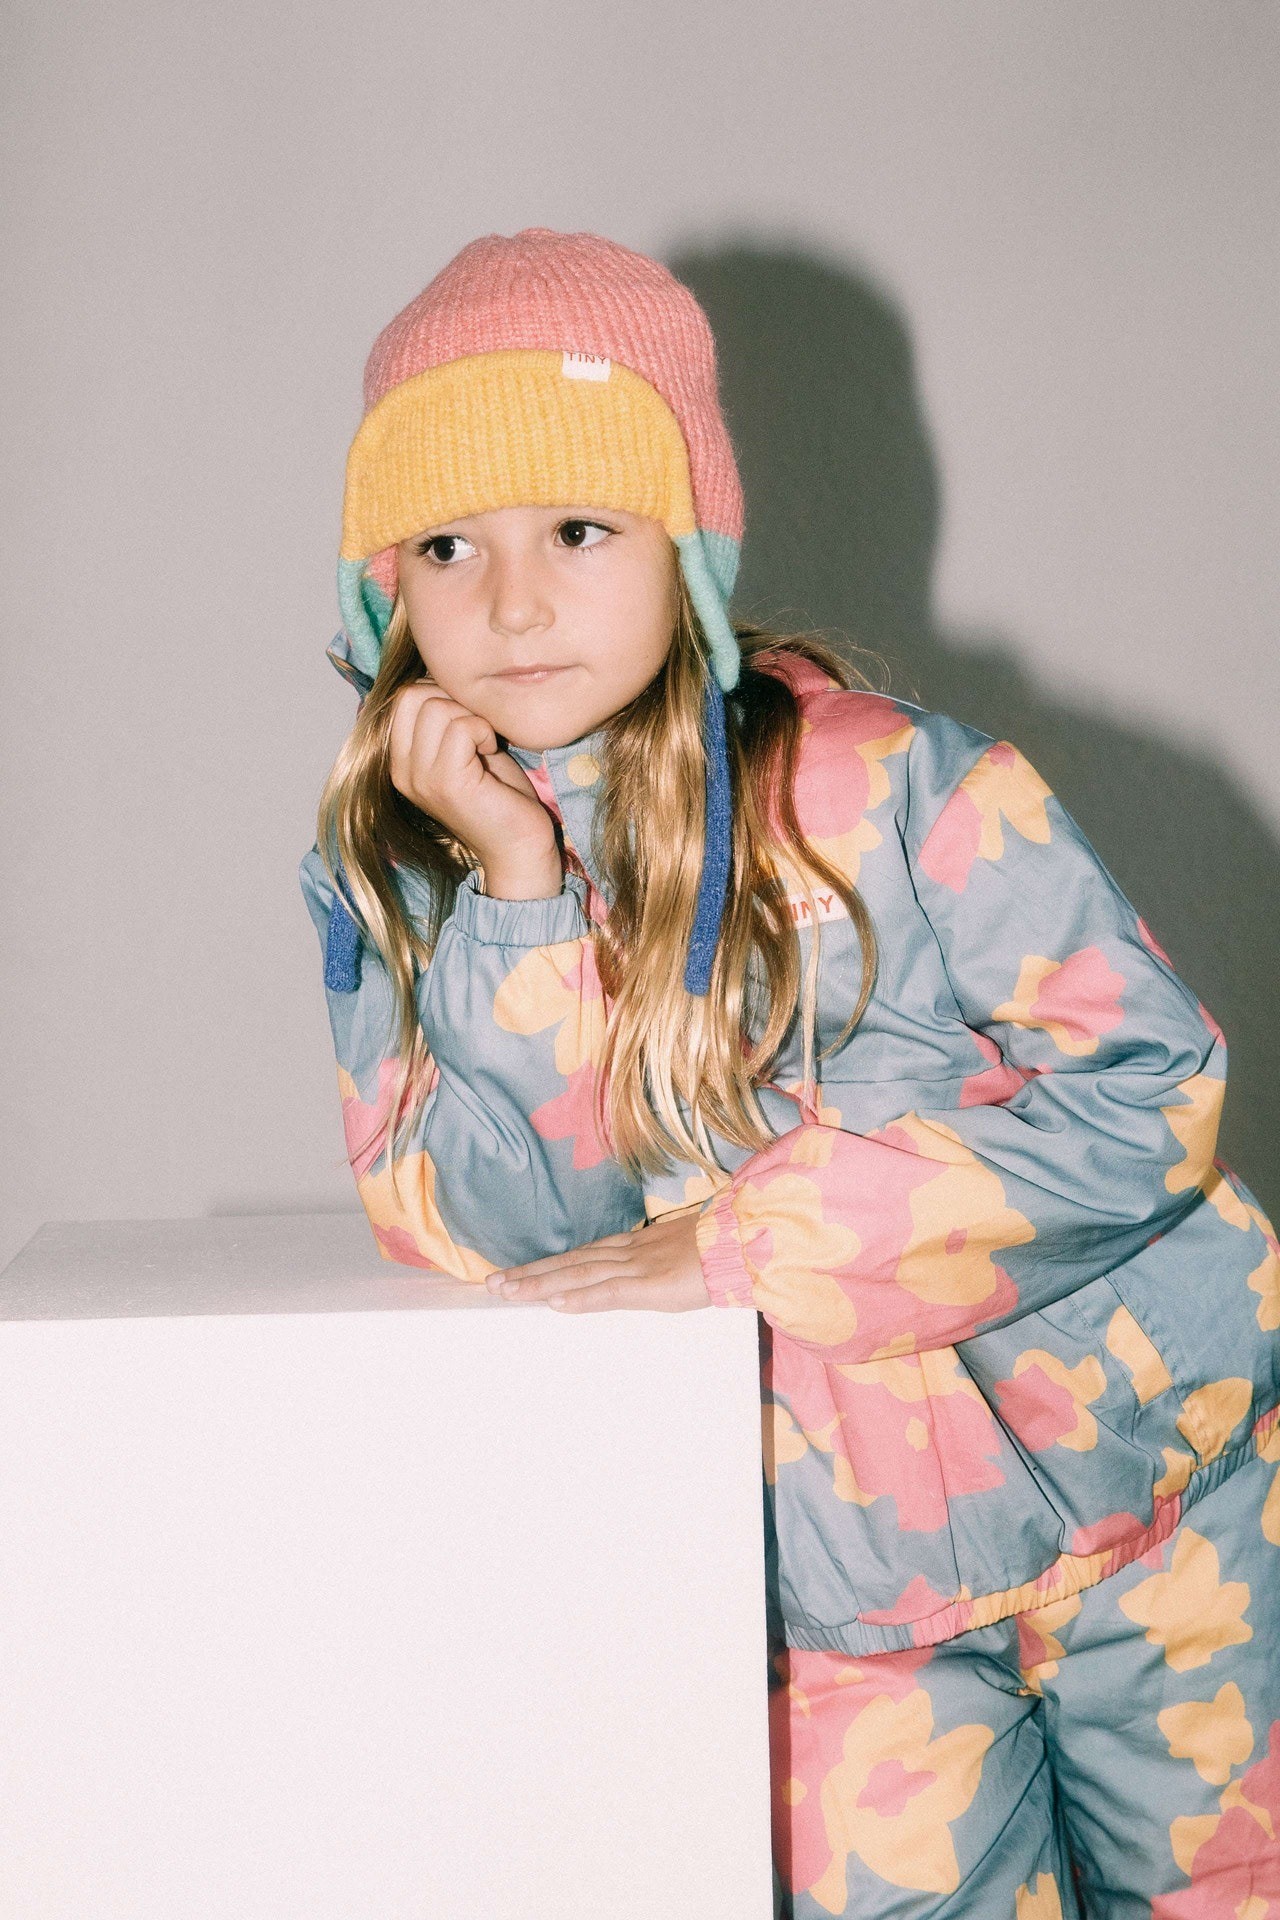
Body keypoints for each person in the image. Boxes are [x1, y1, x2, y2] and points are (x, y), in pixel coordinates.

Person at [299, 227, 1280, 1916]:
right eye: (447, 545)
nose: (513, 602)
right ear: (384, 585)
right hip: (829, 1612)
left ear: (687, 542)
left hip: (1168, 1514)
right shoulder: (399, 878)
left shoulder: (898, 787)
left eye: (579, 529)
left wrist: (756, 1243)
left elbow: (1150, 1088)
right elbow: (485, 1232)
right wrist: (520, 904)